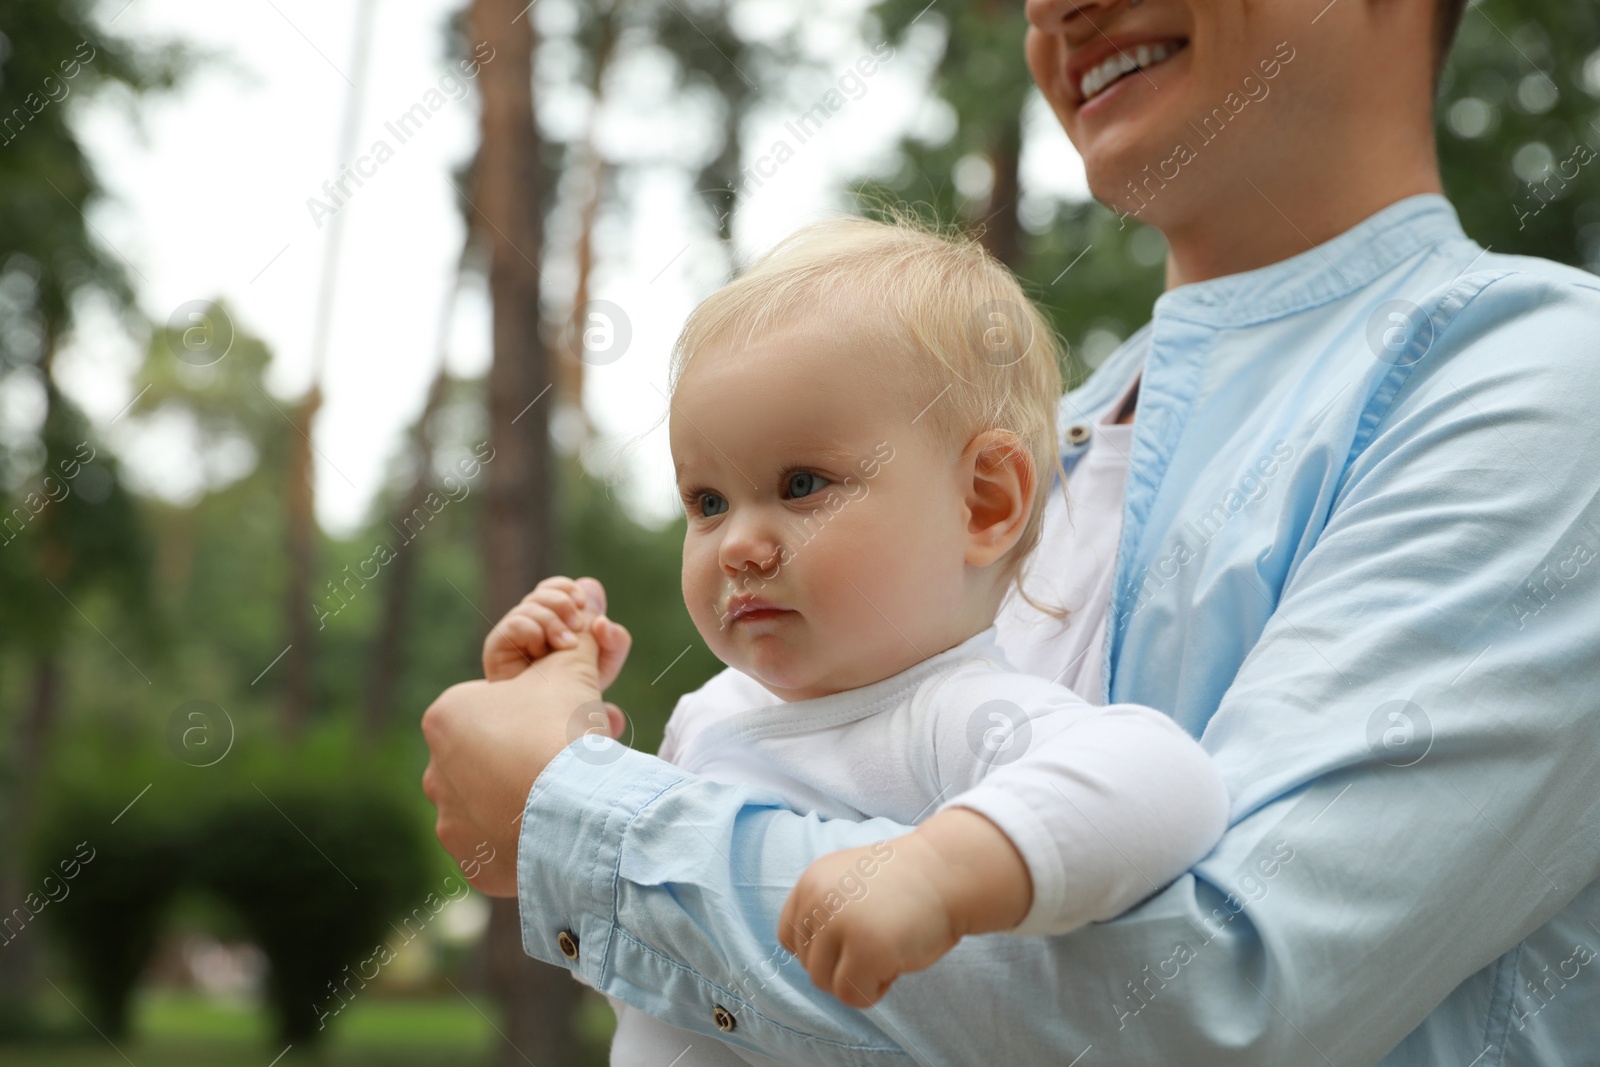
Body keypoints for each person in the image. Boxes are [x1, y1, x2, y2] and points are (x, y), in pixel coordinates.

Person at [422, 0, 1600, 1061]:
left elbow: (1220, 1000)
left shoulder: (1540, 380)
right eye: (708, 500)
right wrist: (565, 742)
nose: (1054, 9)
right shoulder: (1008, 456)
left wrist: (570, 816)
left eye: (794, 485)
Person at [477, 217, 1230, 1065]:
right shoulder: (709, 715)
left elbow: (1166, 782)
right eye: (708, 500)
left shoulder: (950, 709)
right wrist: (557, 723)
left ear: (985, 502)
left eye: (802, 485)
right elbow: (645, 969)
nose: (737, 544)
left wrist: (942, 872)